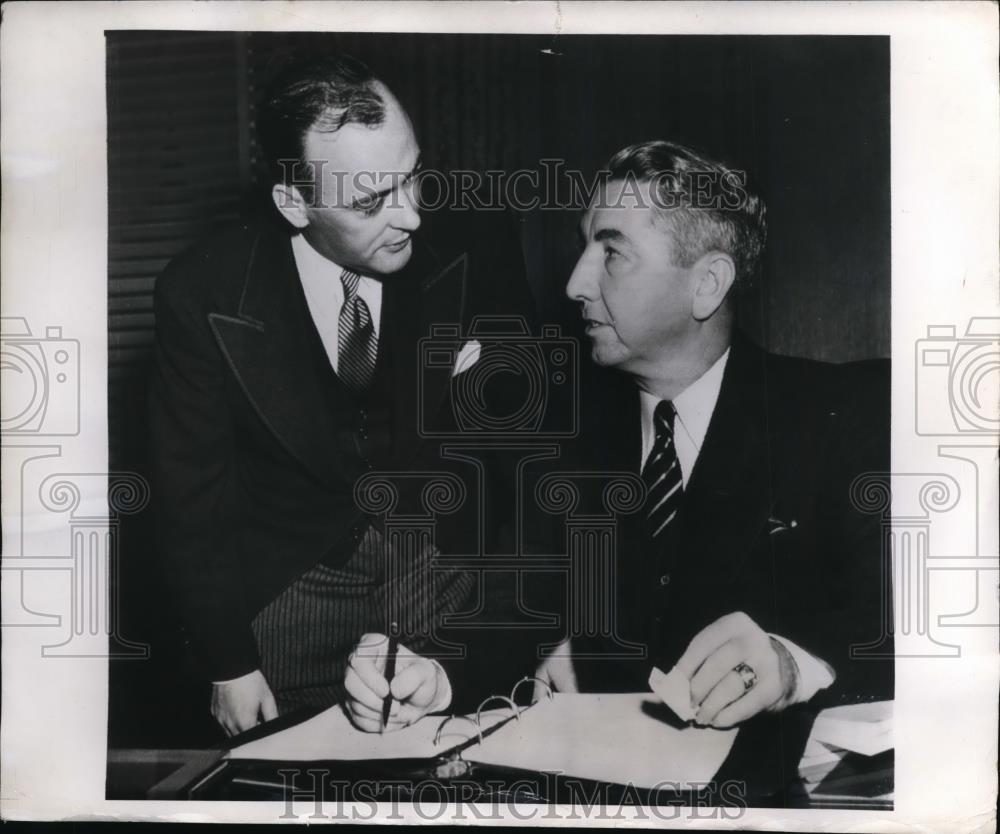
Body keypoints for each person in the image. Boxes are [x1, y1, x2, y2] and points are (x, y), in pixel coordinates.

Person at [149, 53, 539, 736]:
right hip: (285, 599)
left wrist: (549, 624)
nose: (412, 216)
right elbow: (191, 495)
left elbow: (530, 452)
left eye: (412, 176)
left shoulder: (481, 242)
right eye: (369, 202)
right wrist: (228, 666)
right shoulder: (202, 292)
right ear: (292, 203)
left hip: (443, 579)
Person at [537, 140, 892, 733]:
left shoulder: (842, 416)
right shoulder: (565, 443)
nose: (576, 283)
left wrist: (793, 666)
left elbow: (909, 628)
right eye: (584, 247)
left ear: (707, 284)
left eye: (613, 253)